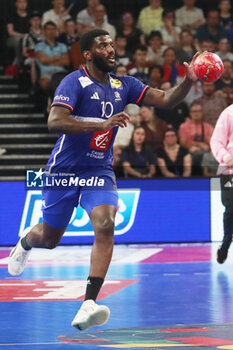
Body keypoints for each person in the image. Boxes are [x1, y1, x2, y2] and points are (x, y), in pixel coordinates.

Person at [8, 29, 199, 331]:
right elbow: (54, 121)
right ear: (87, 54)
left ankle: (88, 303)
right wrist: (101, 124)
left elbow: (165, 99)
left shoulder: (125, 84)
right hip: (64, 171)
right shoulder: (75, 82)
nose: (111, 49)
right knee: (49, 238)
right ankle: (25, 242)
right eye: (103, 45)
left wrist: (189, 79)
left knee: (106, 223)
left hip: (99, 170)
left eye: (112, 44)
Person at [210, 104, 233, 263]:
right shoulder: (229, 113)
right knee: (231, 208)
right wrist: (225, 157)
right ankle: (226, 242)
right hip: (229, 171)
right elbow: (216, 141)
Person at [35, 21, 70, 94]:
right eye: (48, 29)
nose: (51, 31)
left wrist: (49, 61)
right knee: (44, 83)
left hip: (60, 72)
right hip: (46, 72)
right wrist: (58, 58)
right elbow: (42, 59)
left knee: (65, 83)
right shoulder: (39, 46)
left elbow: (66, 61)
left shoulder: (62, 46)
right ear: (44, 31)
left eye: (53, 29)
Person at [178, 103, 213, 173]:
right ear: (190, 113)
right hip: (189, 152)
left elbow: (213, 143)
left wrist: (207, 147)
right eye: (194, 111)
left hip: (206, 153)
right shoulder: (184, 126)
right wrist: (196, 145)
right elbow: (182, 143)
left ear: (202, 113)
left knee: (208, 157)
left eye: (199, 111)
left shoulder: (208, 127)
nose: (196, 114)